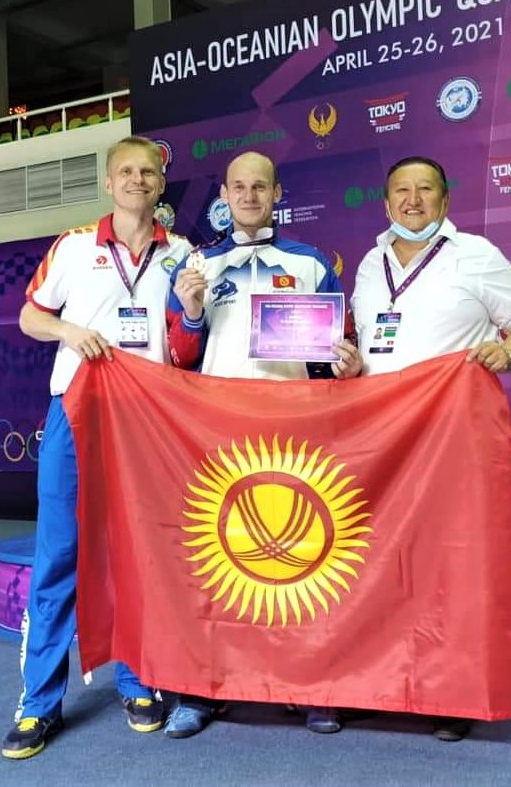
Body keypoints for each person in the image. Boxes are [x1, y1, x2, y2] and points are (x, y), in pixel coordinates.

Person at [1, 136, 192, 760]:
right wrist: (69, 330)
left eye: (148, 172)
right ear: (109, 183)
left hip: (148, 422)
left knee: (139, 556)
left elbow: (186, 345)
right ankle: (38, 702)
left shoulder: (183, 253)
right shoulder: (75, 245)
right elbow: (29, 317)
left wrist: (191, 312)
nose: (138, 180)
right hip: (76, 414)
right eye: (126, 172)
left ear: (161, 183)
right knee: (58, 555)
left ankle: (138, 682)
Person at [164, 150, 362, 737]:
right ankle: (204, 690)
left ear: (277, 193)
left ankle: (311, 687)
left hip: (293, 435)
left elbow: (337, 351)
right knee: (214, 563)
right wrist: (191, 310)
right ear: (224, 194)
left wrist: (344, 362)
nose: (249, 196)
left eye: (260, 187)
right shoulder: (197, 264)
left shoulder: (310, 263)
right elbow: (180, 358)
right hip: (216, 436)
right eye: (239, 187)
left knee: (302, 561)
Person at [351, 154, 511, 741]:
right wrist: (353, 365)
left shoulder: (475, 254)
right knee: (383, 560)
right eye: (402, 191)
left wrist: (508, 351)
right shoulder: (370, 263)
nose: (413, 201)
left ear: (445, 200)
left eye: (425, 190)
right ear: (386, 203)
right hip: (382, 439)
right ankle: (383, 680)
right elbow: (373, 344)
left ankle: (451, 692)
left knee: (450, 563)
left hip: (451, 435)